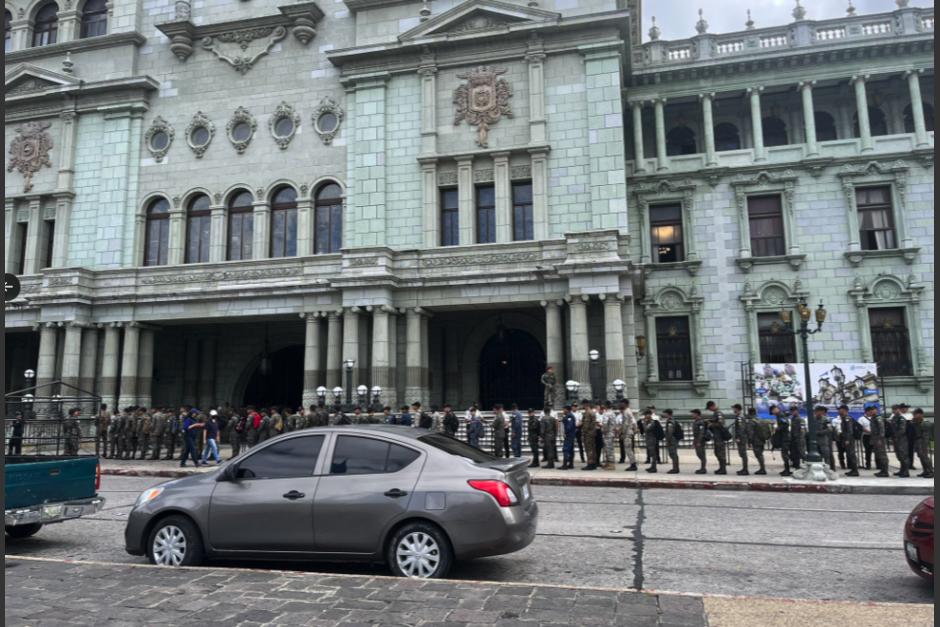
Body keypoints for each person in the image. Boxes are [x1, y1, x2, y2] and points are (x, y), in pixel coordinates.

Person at [866, 403, 889, 478]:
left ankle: (885, 471)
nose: (872, 411)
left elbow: (882, 429)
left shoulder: (878, 418)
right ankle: (882, 470)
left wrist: (880, 439)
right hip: (875, 439)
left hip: (879, 440)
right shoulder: (873, 418)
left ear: (877, 410)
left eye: (873, 410)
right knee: (879, 455)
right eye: (871, 410)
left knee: (882, 455)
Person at [911, 408, 934, 478]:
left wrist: (924, 445)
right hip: (918, 441)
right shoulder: (916, 422)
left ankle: (930, 472)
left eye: (915, 414)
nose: (914, 416)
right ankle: (925, 471)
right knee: (921, 456)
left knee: (925, 457)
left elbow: (926, 436)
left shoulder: (925, 423)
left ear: (920, 414)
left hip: (923, 441)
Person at [837, 404, 859, 476]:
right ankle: (853, 470)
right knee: (849, 454)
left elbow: (849, 431)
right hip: (846, 439)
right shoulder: (844, 418)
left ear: (845, 410)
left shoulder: (847, 418)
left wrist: (847, 440)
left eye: (840, 410)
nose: (839, 412)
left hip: (849, 439)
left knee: (851, 454)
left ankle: (855, 471)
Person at [890, 405, 911, 478]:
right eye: (893, 409)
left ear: (899, 410)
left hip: (901, 439)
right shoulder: (894, 418)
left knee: (903, 455)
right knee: (899, 455)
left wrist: (896, 436)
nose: (894, 411)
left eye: (895, 409)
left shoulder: (901, 418)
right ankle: (902, 470)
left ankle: (906, 471)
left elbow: (902, 430)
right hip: (896, 439)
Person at [706, 407, 728, 475]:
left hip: (720, 437)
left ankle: (723, 469)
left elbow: (721, 423)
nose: (710, 410)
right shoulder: (715, 413)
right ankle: (721, 468)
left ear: (712, 406)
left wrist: (711, 424)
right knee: (717, 453)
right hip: (716, 437)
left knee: (721, 453)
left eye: (710, 408)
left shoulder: (718, 413)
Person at [771, 405, 792, 476]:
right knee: (784, 454)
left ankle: (787, 470)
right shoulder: (778, 415)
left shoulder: (781, 415)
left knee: (785, 454)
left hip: (785, 438)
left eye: (772, 412)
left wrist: (778, 428)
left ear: (775, 409)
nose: (773, 413)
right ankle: (786, 469)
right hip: (783, 437)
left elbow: (786, 424)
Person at [747, 408, 769, 475]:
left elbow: (750, 433)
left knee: (758, 455)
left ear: (749, 413)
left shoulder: (751, 421)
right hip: (762, 439)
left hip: (756, 440)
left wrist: (749, 442)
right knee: (760, 454)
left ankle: (762, 469)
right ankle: (762, 468)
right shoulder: (761, 419)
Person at [730, 404, 749, 475]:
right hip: (741, 438)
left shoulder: (740, 418)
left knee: (743, 454)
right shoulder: (738, 417)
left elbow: (741, 429)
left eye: (734, 409)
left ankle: (745, 470)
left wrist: (738, 438)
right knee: (742, 454)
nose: (733, 410)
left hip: (741, 438)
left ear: (737, 409)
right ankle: (744, 469)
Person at [619, 401, 638, 470]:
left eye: (622, 403)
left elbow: (626, 424)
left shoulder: (626, 412)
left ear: (626, 404)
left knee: (628, 449)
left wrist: (622, 433)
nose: (621, 404)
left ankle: (633, 465)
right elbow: (634, 422)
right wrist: (635, 429)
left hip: (627, 433)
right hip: (629, 432)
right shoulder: (629, 411)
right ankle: (633, 464)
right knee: (629, 449)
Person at [581, 401, 599, 471]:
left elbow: (586, 425)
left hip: (588, 434)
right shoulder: (592, 412)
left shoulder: (587, 413)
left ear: (585, 404)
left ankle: (590, 464)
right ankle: (594, 463)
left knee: (589, 449)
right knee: (593, 449)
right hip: (592, 433)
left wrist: (583, 433)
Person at [662, 409, 681, 473]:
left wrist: (668, 440)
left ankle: (675, 469)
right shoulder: (671, 420)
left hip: (672, 439)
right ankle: (675, 468)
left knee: (673, 454)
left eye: (665, 413)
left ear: (667, 413)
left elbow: (670, 431)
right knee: (673, 454)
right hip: (672, 439)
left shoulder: (670, 421)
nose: (664, 414)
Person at [600, 402, 617, 470]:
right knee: (609, 448)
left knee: (608, 449)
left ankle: (611, 464)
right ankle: (608, 463)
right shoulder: (612, 413)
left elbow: (605, 424)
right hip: (611, 432)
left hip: (608, 434)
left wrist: (604, 431)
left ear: (606, 406)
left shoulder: (607, 413)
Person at [691, 409, 708, 474]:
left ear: (696, 414)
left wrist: (699, 441)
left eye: (693, 414)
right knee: (699, 454)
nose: (692, 415)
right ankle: (702, 468)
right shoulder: (696, 421)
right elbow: (695, 434)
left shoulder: (700, 422)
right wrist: (694, 441)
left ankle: (703, 468)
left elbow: (701, 432)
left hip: (700, 440)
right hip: (696, 439)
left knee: (701, 454)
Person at [560, 405, 576, 470]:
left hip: (569, 436)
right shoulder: (569, 416)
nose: (563, 411)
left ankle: (565, 465)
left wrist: (565, 433)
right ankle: (571, 464)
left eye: (564, 409)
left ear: (567, 410)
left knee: (565, 449)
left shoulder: (569, 416)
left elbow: (569, 426)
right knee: (571, 450)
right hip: (571, 435)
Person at [788, 404, 804, 469]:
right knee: (794, 453)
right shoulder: (792, 419)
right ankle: (796, 465)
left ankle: (804, 464)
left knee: (801, 452)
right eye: (792, 411)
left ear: (797, 411)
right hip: (793, 438)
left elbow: (802, 430)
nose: (793, 412)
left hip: (799, 438)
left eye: (794, 411)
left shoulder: (800, 419)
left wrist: (799, 437)